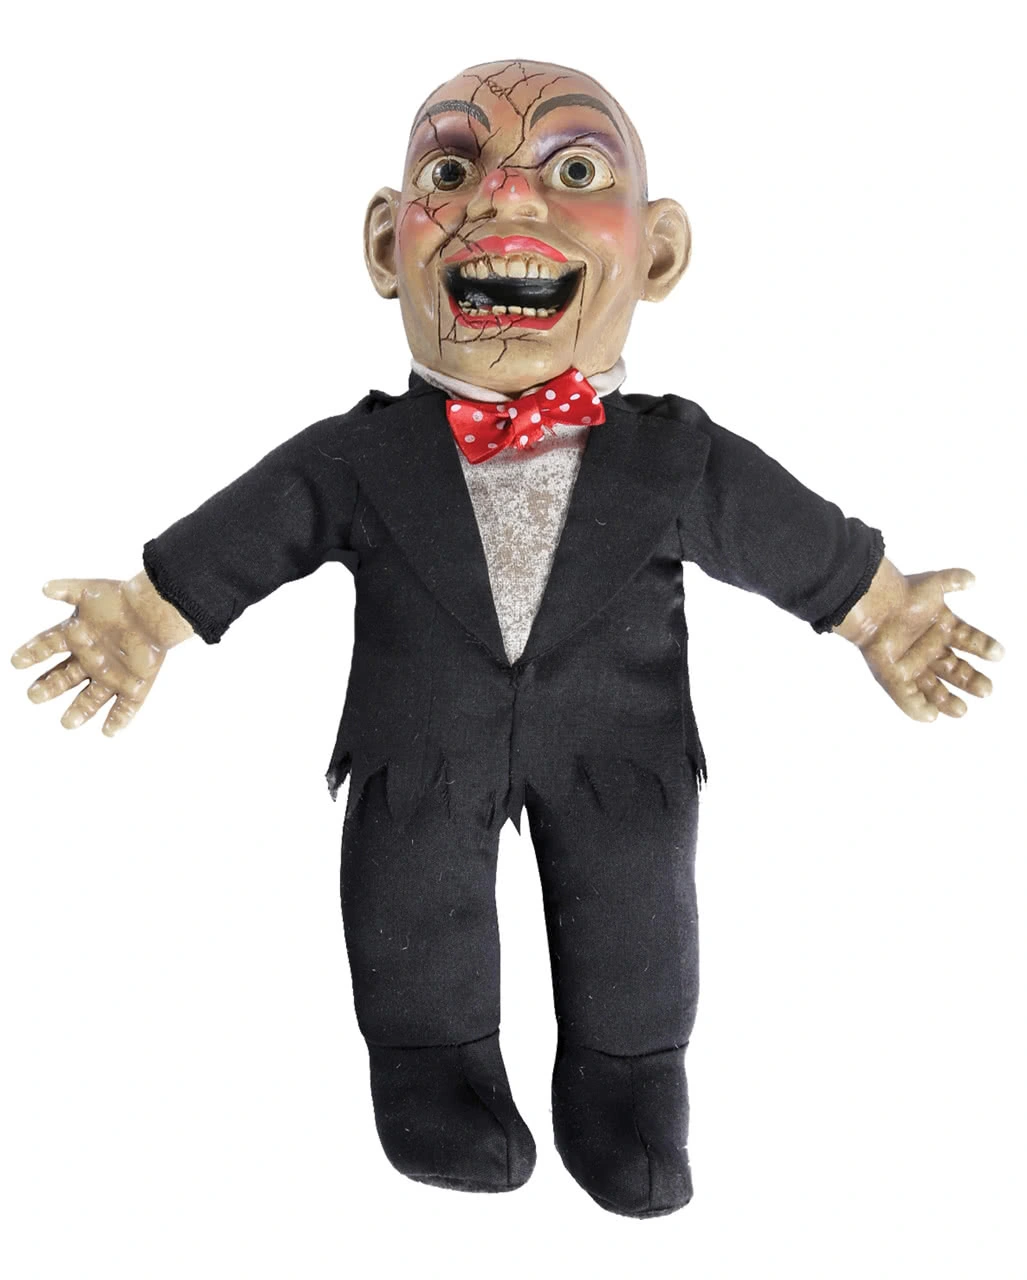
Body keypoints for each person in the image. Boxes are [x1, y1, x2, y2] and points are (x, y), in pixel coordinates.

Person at [10, 60, 1004, 1218]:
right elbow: (253, 528)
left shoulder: (677, 455)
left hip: (622, 750)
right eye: (452, 171)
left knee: (638, 921)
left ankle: (627, 1088)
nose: (504, 197)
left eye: (574, 171)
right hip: (417, 749)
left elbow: (788, 535)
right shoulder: (358, 455)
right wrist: (146, 613)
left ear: (658, 253)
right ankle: (433, 1075)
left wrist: (882, 610)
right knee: (407, 911)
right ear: (384, 245)